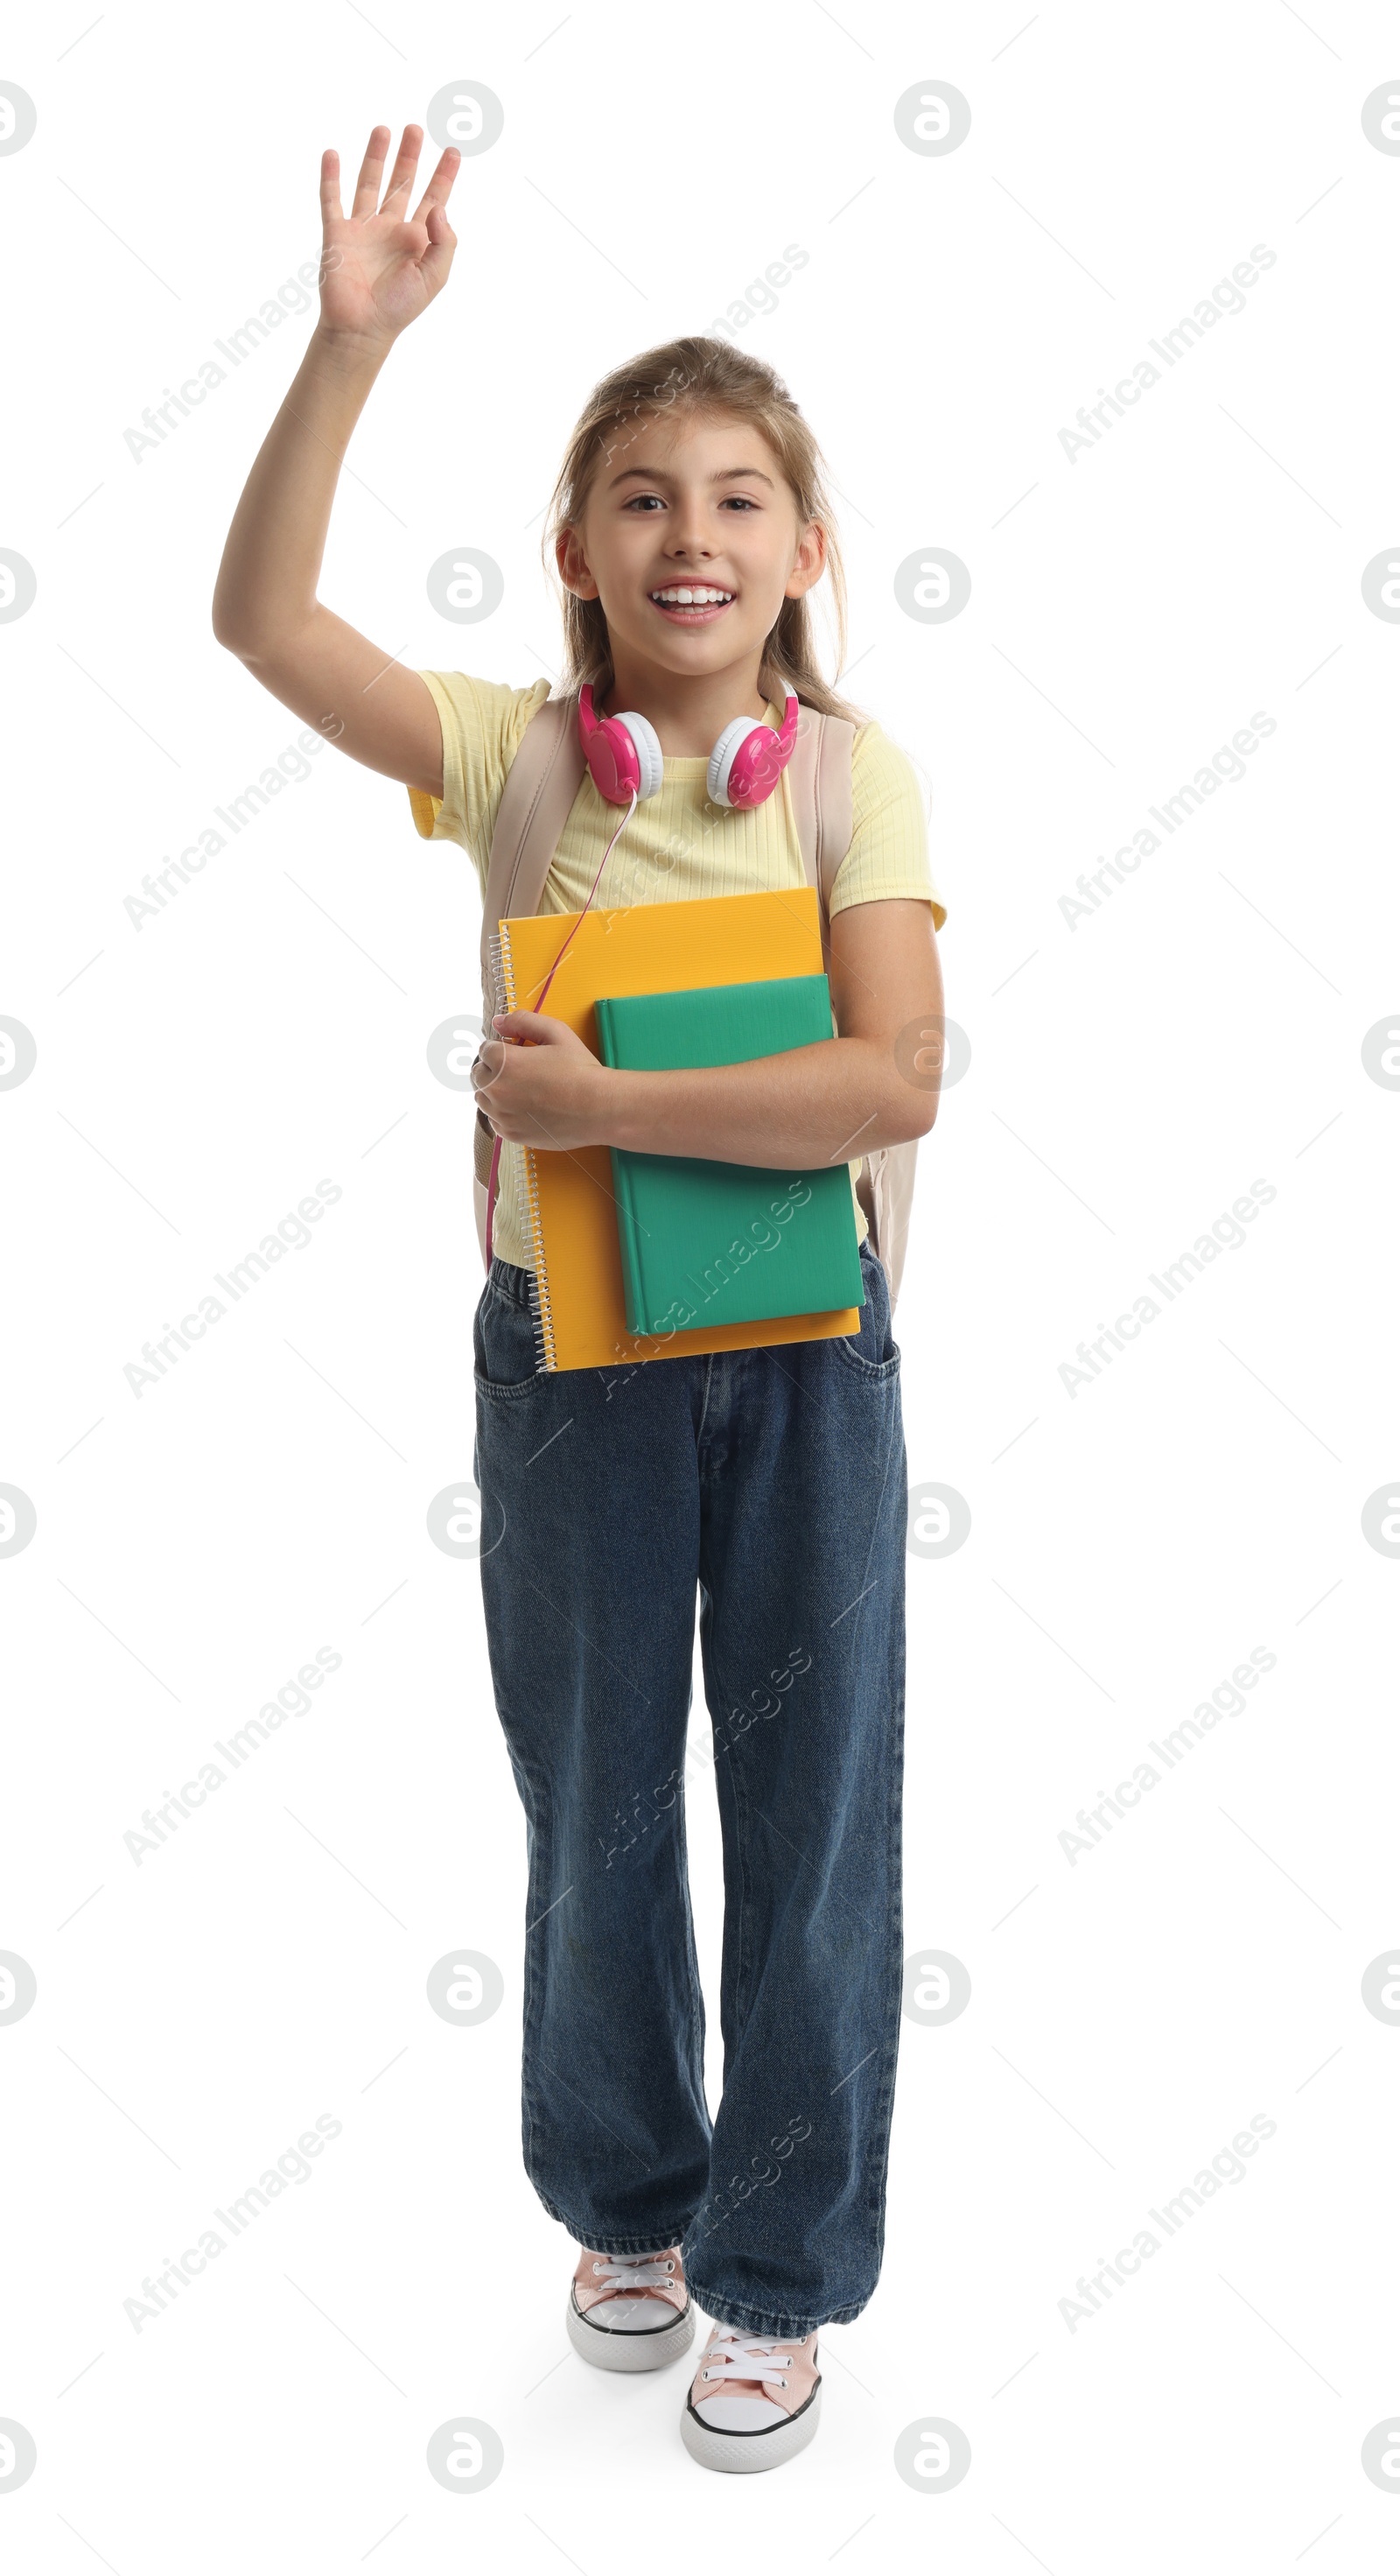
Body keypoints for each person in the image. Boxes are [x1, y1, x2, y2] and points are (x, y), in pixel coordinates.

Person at [213, 123, 948, 2476]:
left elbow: (898, 1073)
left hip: (807, 1365)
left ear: (805, 551)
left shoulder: (848, 781)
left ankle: (780, 2263)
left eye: (739, 497)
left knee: (815, 1811)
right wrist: (349, 347)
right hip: (578, 1378)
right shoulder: (526, 765)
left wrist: (604, 1113)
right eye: (640, 496)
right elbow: (262, 623)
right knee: (601, 1809)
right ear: (577, 552)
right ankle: (629, 2204)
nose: (692, 536)